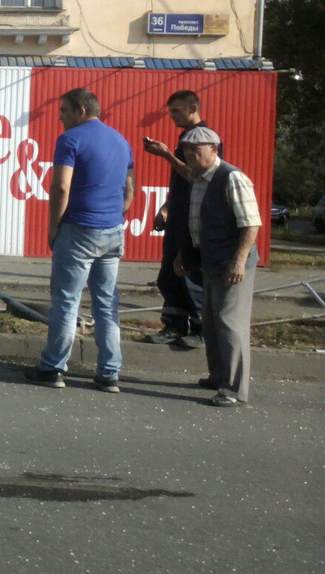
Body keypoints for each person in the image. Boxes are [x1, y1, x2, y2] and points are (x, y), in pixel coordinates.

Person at [25, 89, 135, 393]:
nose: (60, 117)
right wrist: (112, 215)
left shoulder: (70, 140)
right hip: (113, 232)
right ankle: (109, 374)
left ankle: (53, 368)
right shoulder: (121, 141)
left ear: (81, 111)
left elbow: (61, 187)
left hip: (78, 231)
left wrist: (53, 227)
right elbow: (129, 191)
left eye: (64, 110)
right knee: (106, 303)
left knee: (66, 301)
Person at [175, 126, 261, 407]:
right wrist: (182, 255)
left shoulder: (232, 177)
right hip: (210, 260)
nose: (189, 154)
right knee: (210, 322)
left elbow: (250, 223)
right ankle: (218, 376)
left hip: (231, 263)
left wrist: (239, 261)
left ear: (214, 150)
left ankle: (235, 390)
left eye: (195, 149)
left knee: (229, 323)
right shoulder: (198, 178)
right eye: (186, 149)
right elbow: (195, 222)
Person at [142, 90, 216, 350]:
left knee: (190, 272)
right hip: (179, 216)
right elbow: (181, 183)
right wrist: (167, 207)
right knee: (170, 274)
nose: (172, 116)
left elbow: (197, 178)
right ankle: (174, 325)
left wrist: (165, 155)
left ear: (193, 107)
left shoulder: (204, 139)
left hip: (194, 220)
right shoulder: (186, 137)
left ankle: (200, 329)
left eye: (176, 110)